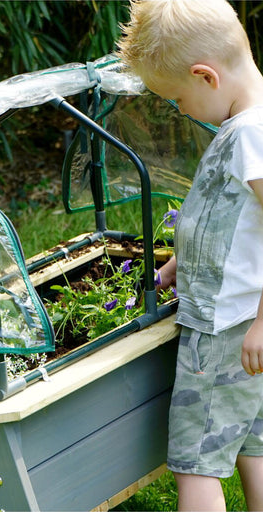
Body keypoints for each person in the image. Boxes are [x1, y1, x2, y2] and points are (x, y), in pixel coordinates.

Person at [118, 0, 263, 510]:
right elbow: (239, 221)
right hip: (244, 323)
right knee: (253, 442)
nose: (179, 109)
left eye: (177, 97)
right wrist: (183, 263)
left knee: (196, 463)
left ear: (205, 76)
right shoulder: (252, 122)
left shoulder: (250, 134)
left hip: (228, 327)